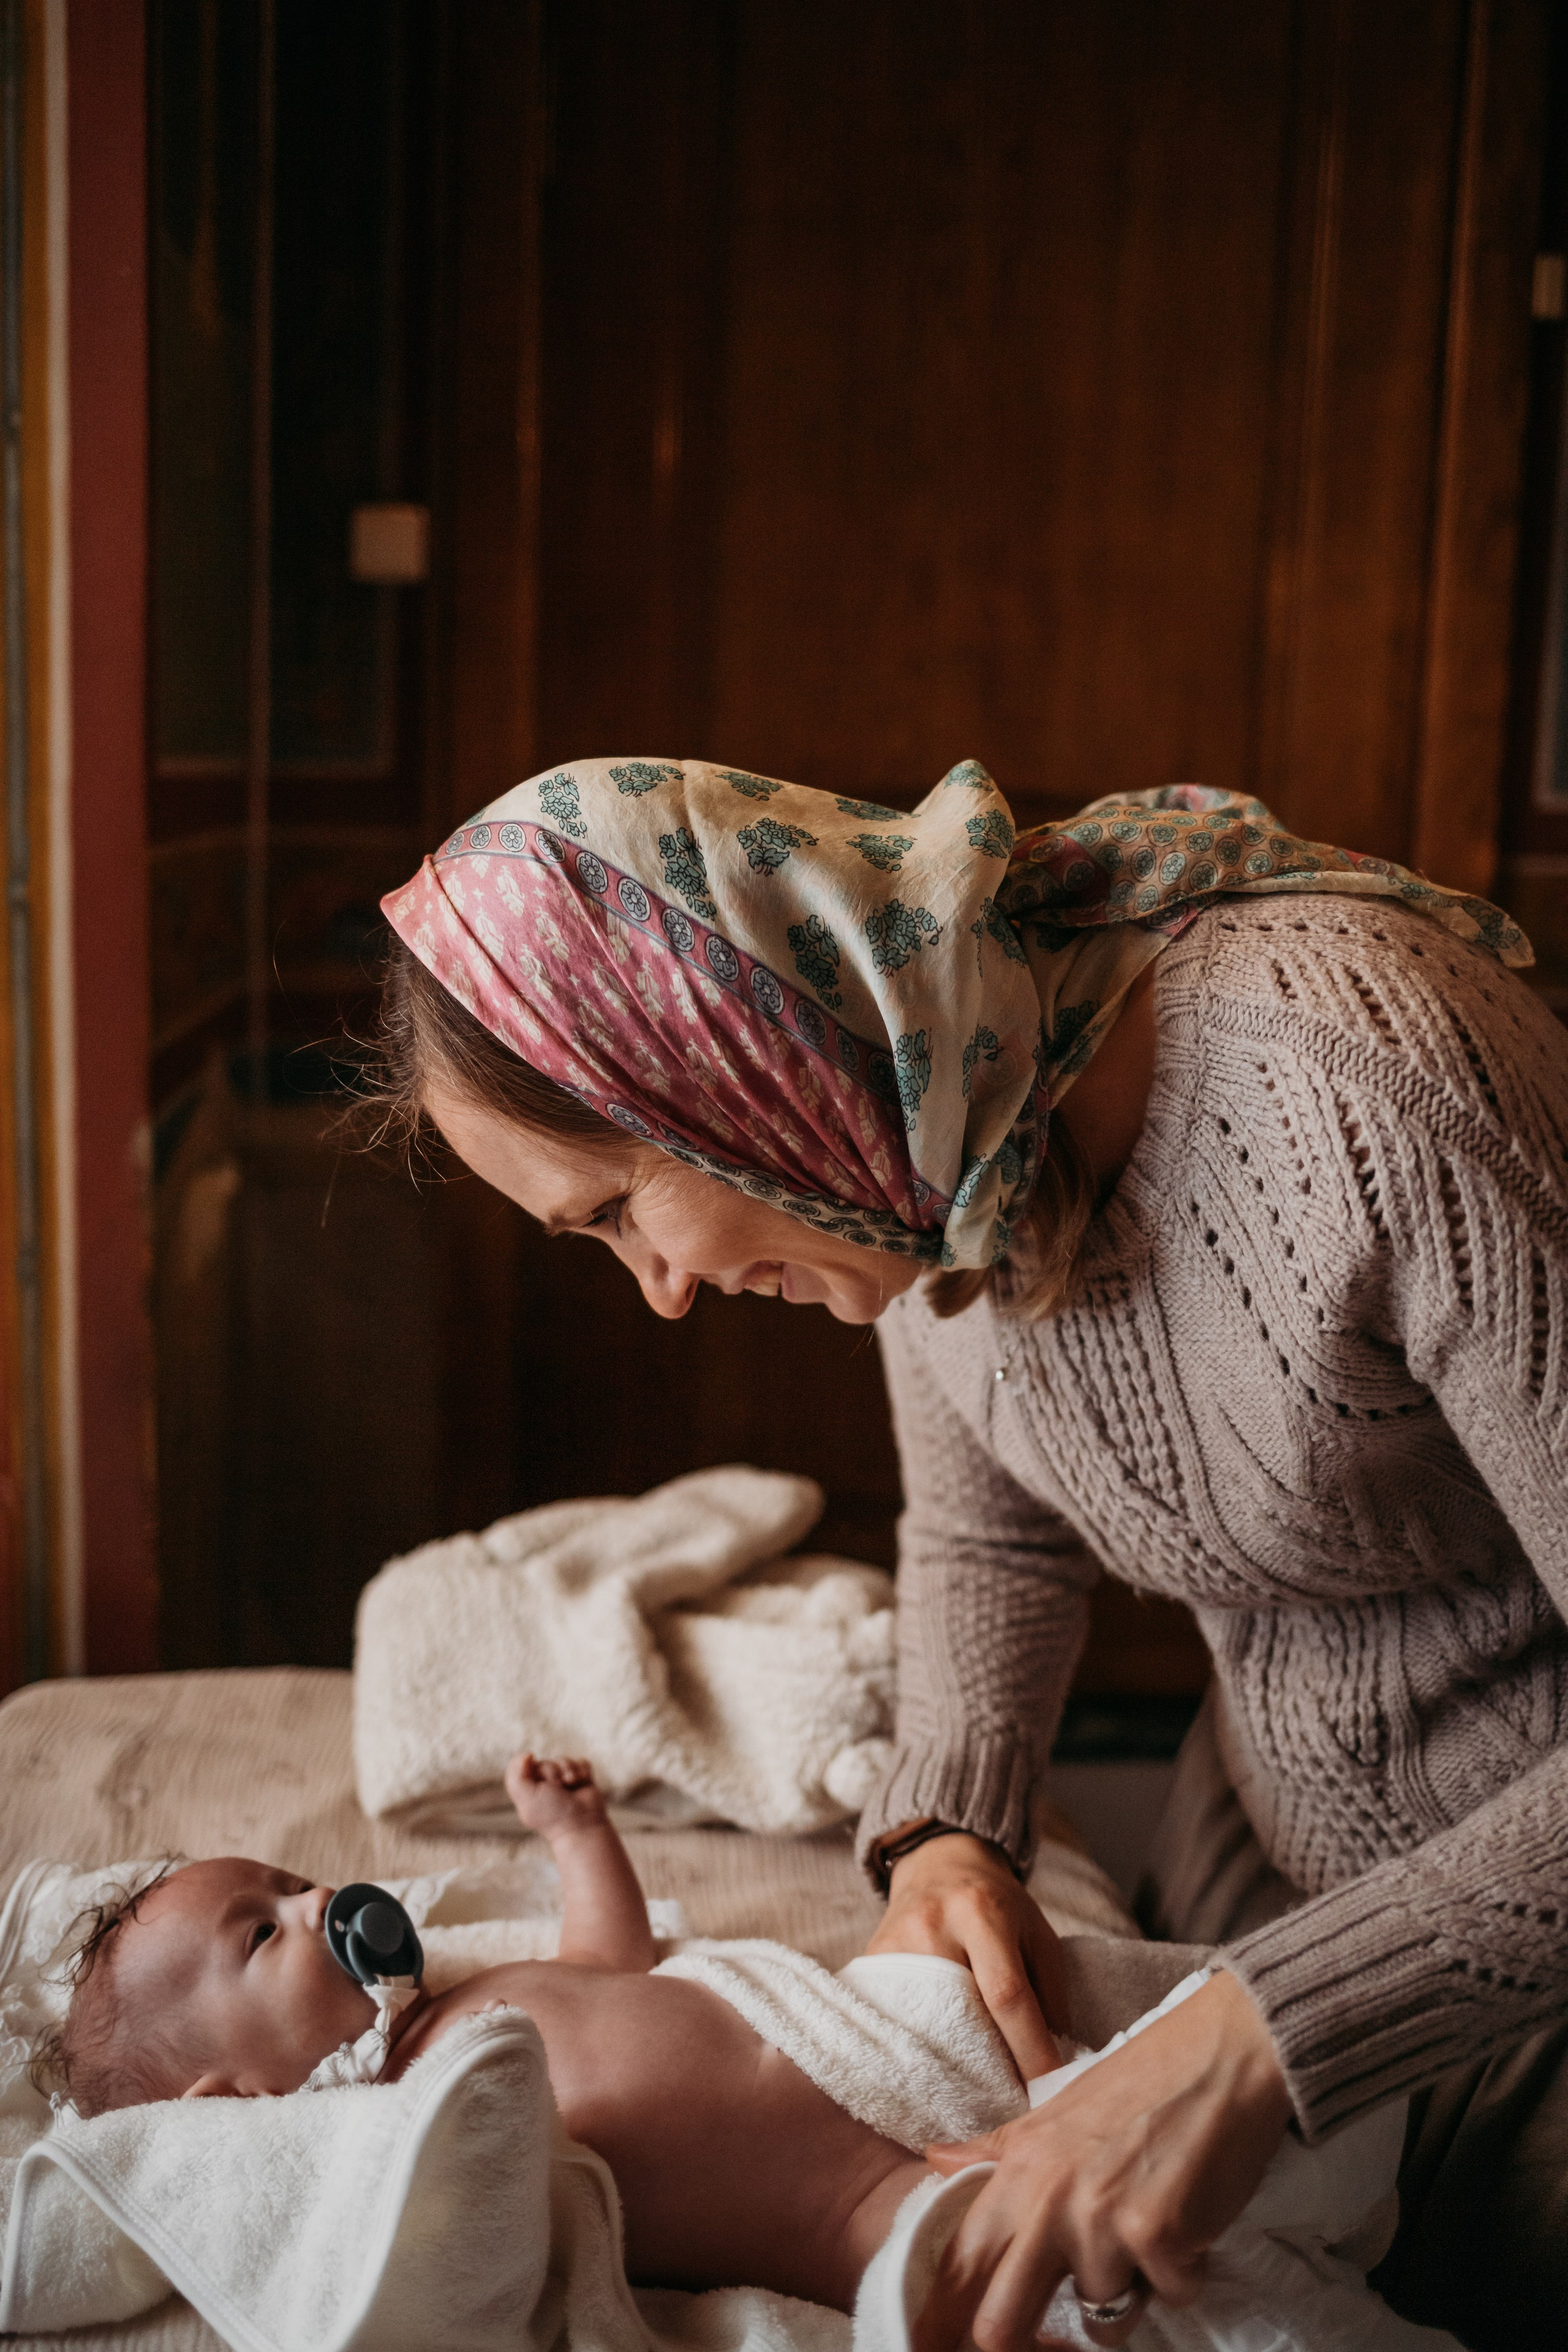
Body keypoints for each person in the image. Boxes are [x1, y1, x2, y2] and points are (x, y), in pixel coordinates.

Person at [369, 756, 1566, 2352]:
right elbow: (987, 1533)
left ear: (718, 1065)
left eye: (615, 1210)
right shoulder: (931, 1133)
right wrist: (948, 1833)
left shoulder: (1371, 1077)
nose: (658, 1288)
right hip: (1262, 1862)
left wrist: (1254, 2041)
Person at [34, 1758, 1456, 2352]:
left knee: (1232, 2118)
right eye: (260, 1936)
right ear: (231, 2098)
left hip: (888, 2047)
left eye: (288, 1880)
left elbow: (616, 1963)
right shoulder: (396, 2122)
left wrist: (576, 1841)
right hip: (869, 2205)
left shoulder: (463, 1994)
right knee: (1121, 2282)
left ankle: (1301, 2146)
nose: (310, 1904)